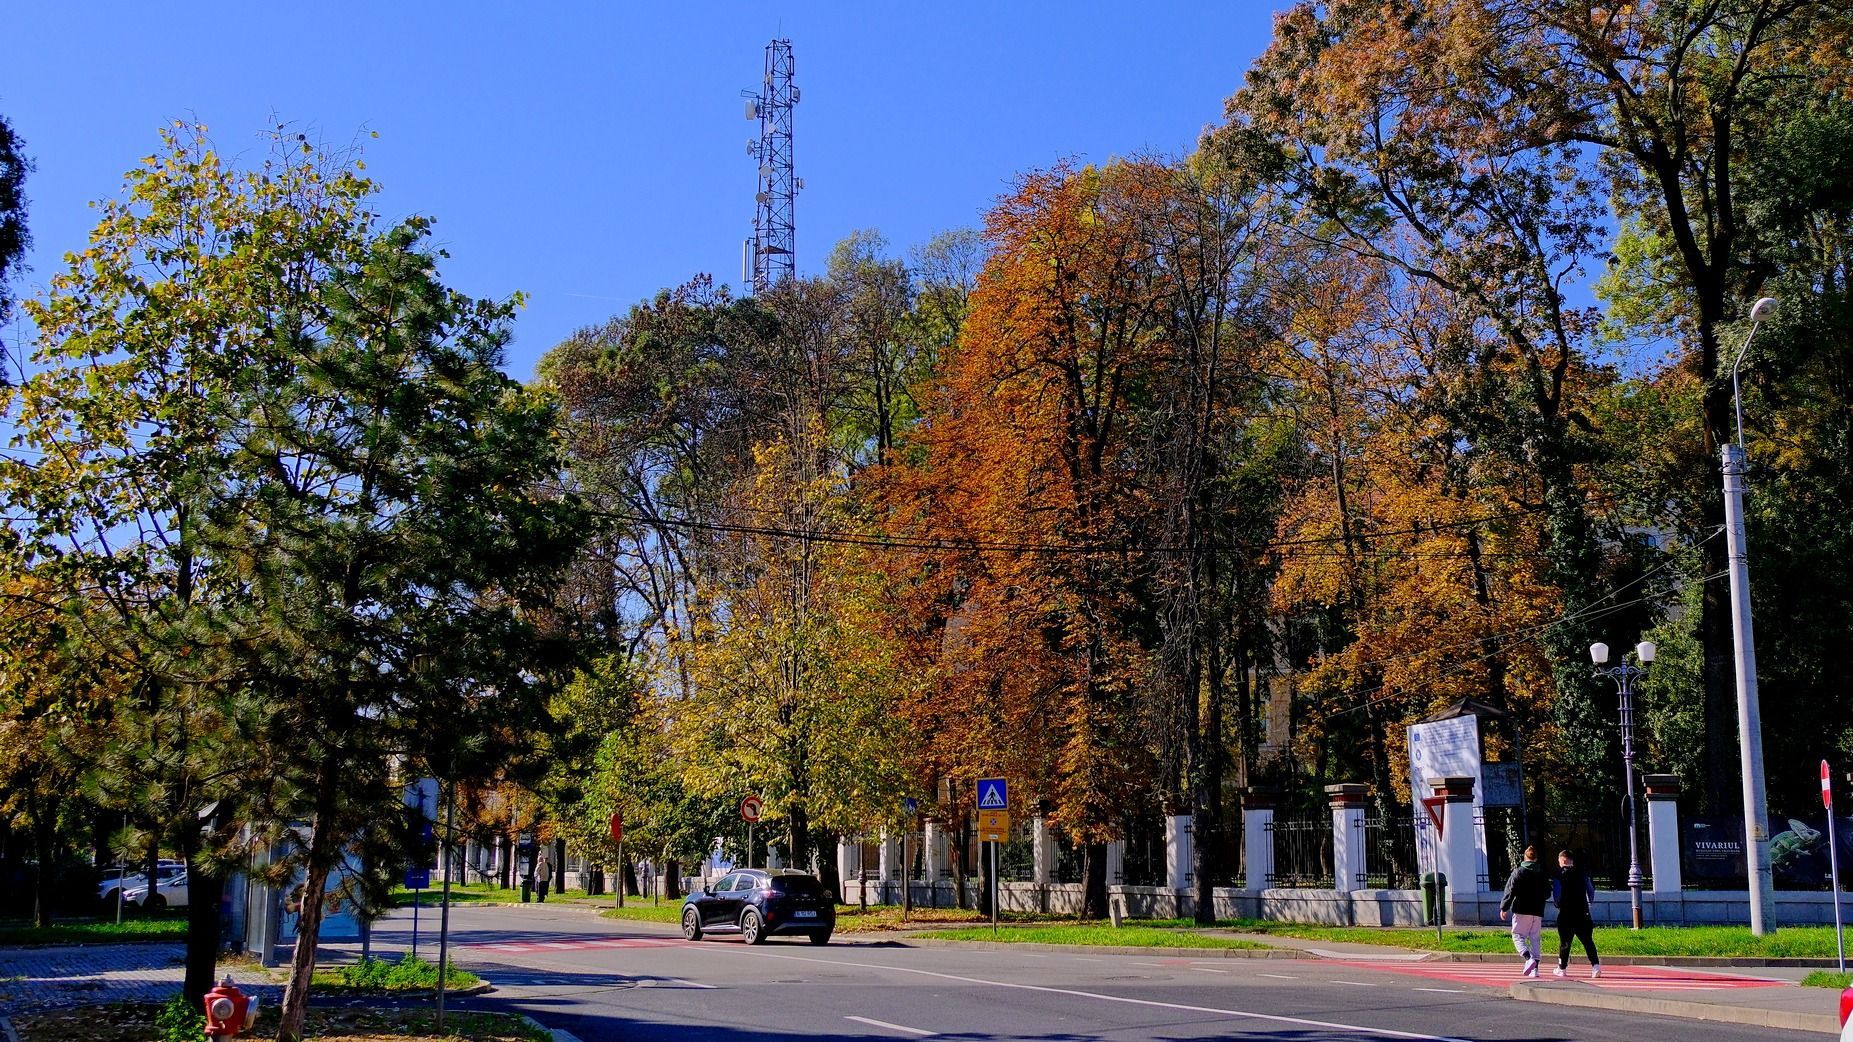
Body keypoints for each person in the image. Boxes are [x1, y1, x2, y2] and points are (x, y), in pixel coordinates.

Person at [1499, 845, 1551, 977]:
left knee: (1517, 935)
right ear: (1536, 858)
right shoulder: (1541, 873)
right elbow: (1547, 893)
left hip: (1521, 910)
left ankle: (1529, 959)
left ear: (1524, 857)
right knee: (1535, 938)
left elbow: (1510, 891)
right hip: (1538, 910)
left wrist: (1504, 907)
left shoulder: (1519, 872)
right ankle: (1535, 970)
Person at [1552, 849, 1601, 978]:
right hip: (1582, 912)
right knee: (1588, 941)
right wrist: (1590, 902)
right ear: (1572, 860)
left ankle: (1562, 968)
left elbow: (1557, 894)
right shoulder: (1582, 873)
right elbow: (1590, 890)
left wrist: (1557, 904)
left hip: (1566, 913)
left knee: (1565, 942)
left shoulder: (1559, 875)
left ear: (1562, 860)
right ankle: (1595, 966)